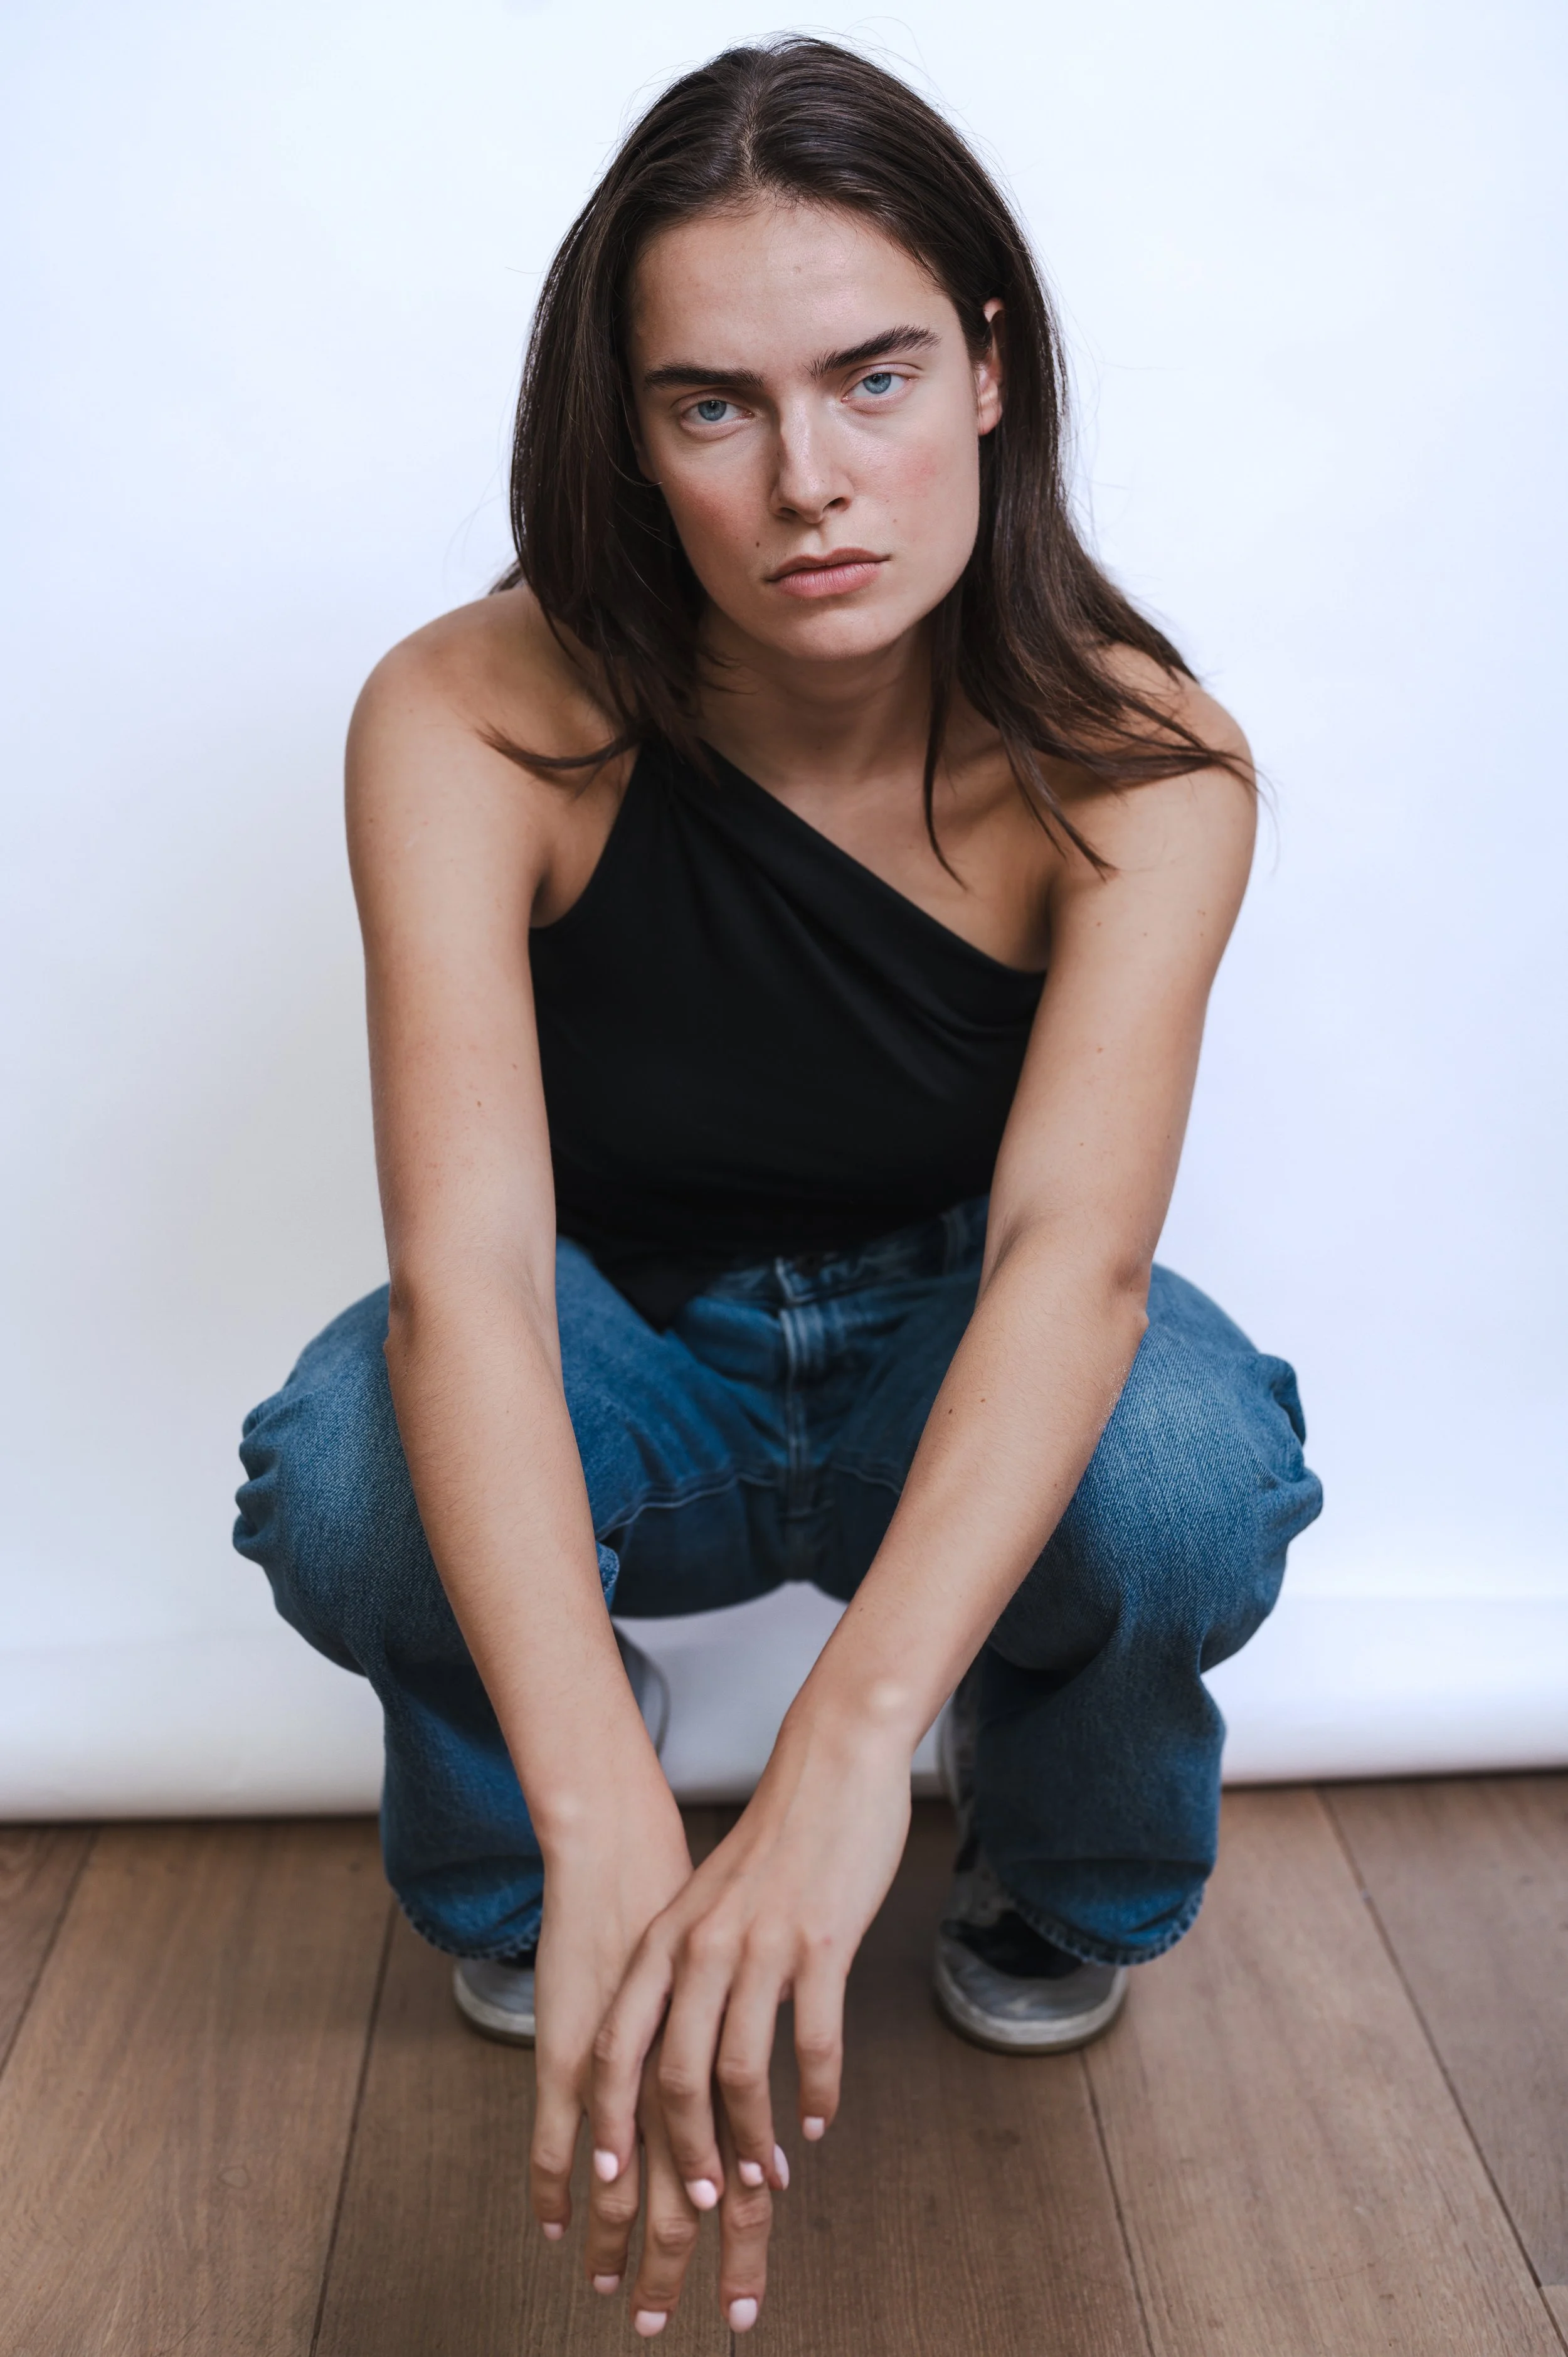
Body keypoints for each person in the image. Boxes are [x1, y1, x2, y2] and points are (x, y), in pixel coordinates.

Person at [234, 36, 1322, 2339]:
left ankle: (1056, 1874)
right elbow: (468, 1282)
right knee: (345, 1470)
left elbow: (1072, 1257)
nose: (809, 478)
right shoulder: (466, 718)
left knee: (1192, 1471)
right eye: (712, 403)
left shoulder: (1146, 757)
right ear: (625, 434)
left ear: (991, 372)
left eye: (875, 376)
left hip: (961, 1332)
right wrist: (611, 1803)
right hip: (619, 1339)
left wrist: (838, 1774)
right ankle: (543, 1882)